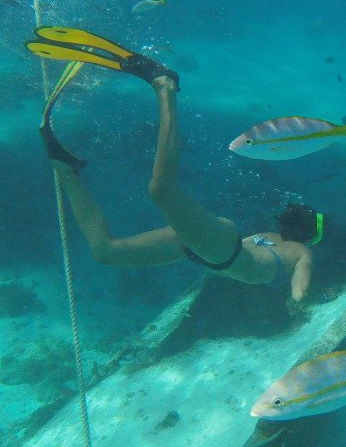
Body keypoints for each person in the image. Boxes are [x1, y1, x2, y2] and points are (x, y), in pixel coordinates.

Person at [26, 27, 319, 304]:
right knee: (161, 189)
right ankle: (165, 86)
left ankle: (65, 168)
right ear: (309, 237)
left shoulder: (272, 239)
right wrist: (301, 303)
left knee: (107, 251)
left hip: (207, 247)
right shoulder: (302, 252)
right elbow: (299, 291)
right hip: (217, 251)